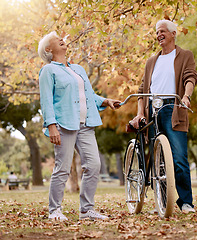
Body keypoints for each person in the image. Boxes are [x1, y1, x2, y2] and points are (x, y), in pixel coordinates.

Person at [38, 31, 121, 221]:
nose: (62, 39)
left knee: (94, 165)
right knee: (63, 167)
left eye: (62, 38)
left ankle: (86, 210)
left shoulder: (78, 69)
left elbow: (89, 95)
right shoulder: (48, 70)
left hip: (85, 124)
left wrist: (106, 100)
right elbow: (46, 100)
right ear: (49, 49)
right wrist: (51, 125)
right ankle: (55, 210)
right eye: (56, 39)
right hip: (64, 124)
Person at [130, 20, 197, 213]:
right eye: (157, 32)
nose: (159, 35)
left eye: (162, 31)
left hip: (174, 107)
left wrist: (186, 96)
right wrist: (140, 113)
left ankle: (185, 202)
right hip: (153, 109)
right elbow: (143, 90)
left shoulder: (185, 55)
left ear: (173, 33)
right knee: (158, 159)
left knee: (179, 158)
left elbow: (190, 77)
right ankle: (162, 202)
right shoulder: (152, 61)